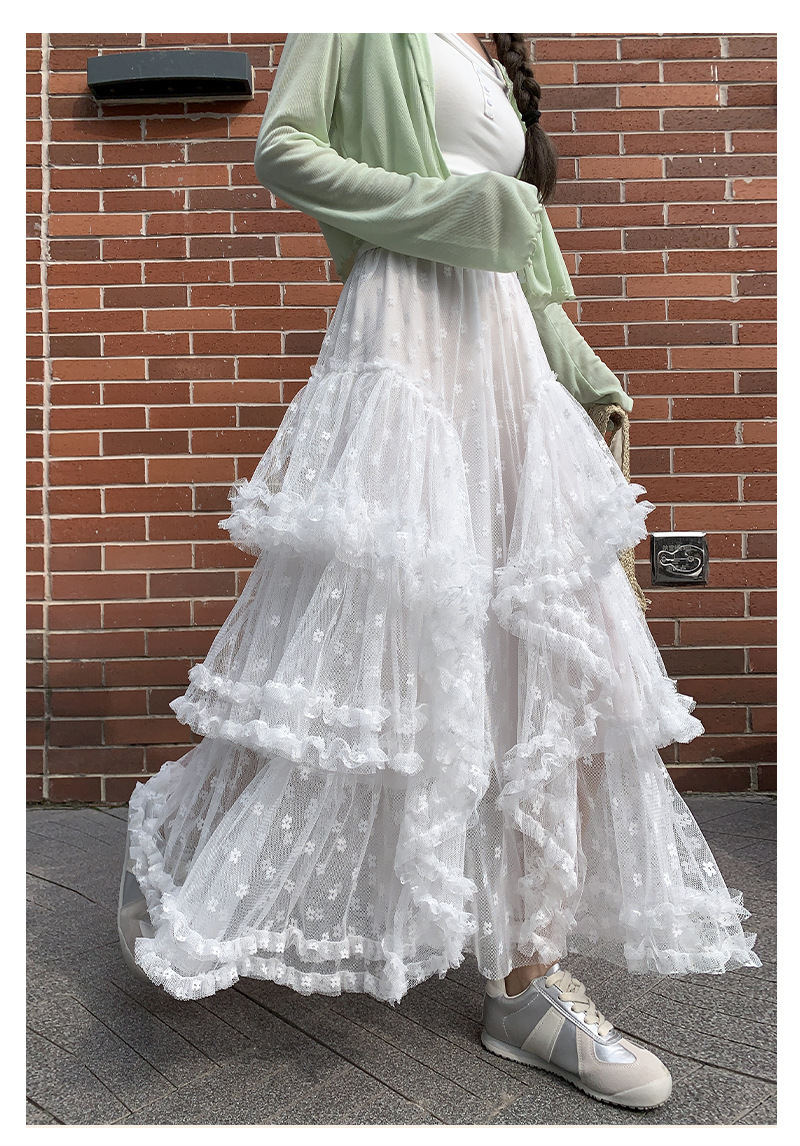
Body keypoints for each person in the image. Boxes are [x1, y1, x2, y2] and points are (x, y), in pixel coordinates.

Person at [117, 32, 760, 1112]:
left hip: (505, 357)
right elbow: (286, 148)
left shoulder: (494, 48)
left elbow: (518, 249)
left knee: (563, 655)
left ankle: (526, 981)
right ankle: (182, 849)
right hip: (407, 336)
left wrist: (580, 366)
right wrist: (450, 210)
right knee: (361, 651)